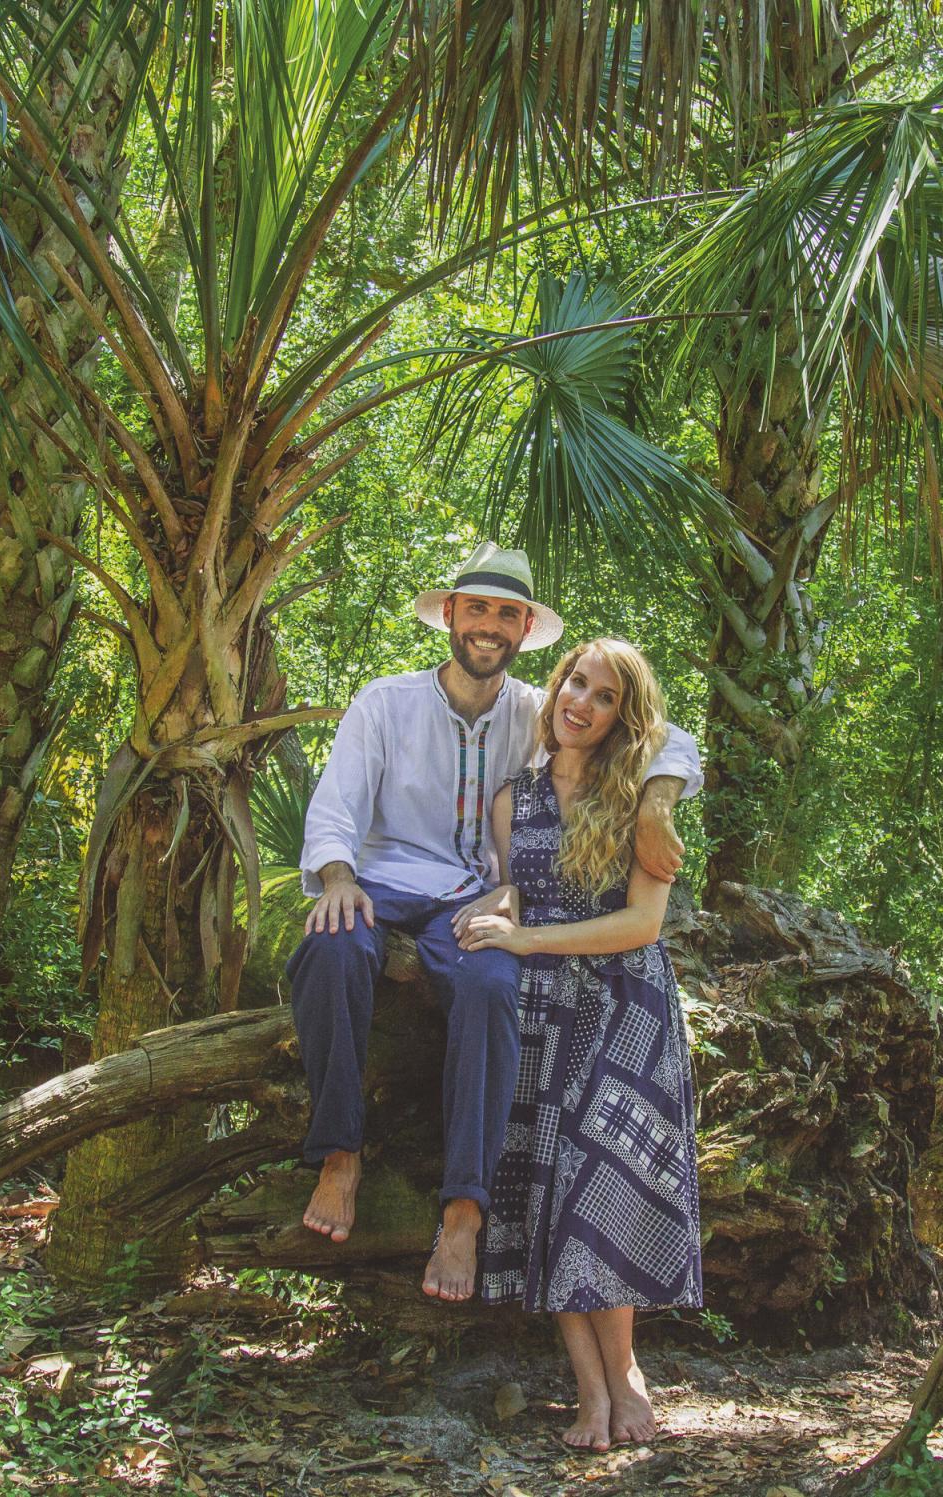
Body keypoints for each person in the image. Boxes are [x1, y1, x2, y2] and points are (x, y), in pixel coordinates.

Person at [286, 543, 701, 1302]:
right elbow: (336, 807)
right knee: (332, 946)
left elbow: (663, 733)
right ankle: (340, 1154)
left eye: (506, 614)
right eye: (476, 608)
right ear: (450, 615)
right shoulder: (386, 702)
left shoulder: (534, 715)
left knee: (489, 983)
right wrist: (338, 877)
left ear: (522, 630)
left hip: (472, 898)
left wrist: (660, 798)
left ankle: (464, 1208)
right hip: (379, 879)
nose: (489, 625)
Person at [456, 638, 703, 1451]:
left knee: (598, 1190)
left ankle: (625, 1368)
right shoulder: (512, 796)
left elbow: (643, 924)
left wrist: (526, 942)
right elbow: (513, 891)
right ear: (555, 684)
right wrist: (490, 918)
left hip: (626, 1010)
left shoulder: (639, 791)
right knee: (545, 1188)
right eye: (574, 682)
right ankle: (591, 1388)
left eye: (602, 697)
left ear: (619, 718)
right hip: (539, 1015)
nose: (580, 702)